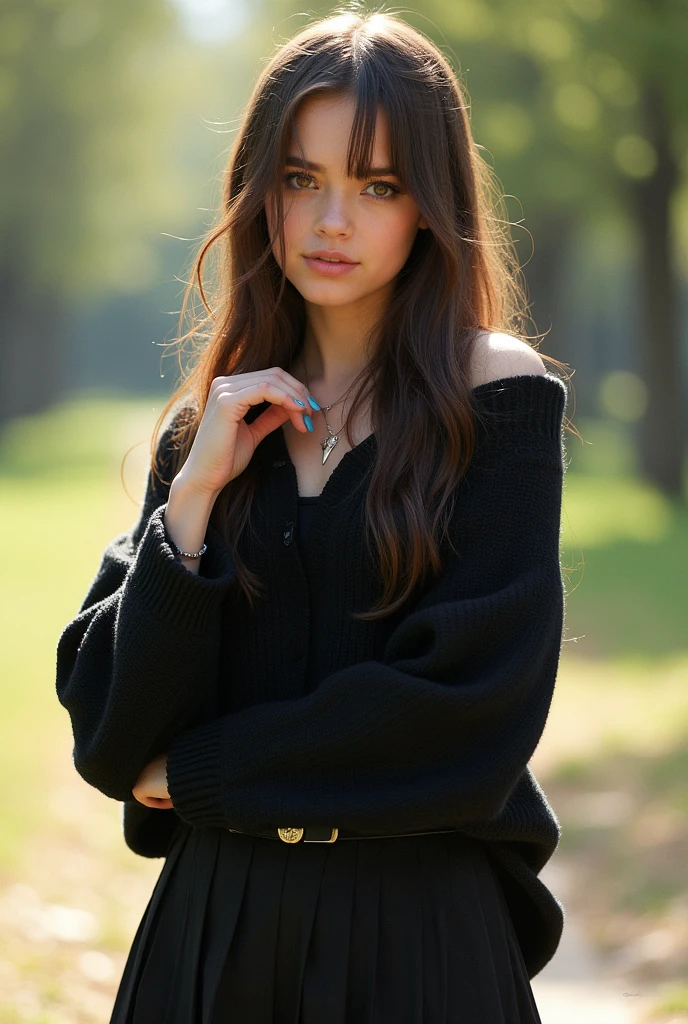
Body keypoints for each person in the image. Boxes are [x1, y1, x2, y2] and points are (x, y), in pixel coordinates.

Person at [56, 8, 576, 1022]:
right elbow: (112, 737)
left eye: (376, 186)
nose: (331, 220)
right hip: (210, 936)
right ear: (260, 192)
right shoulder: (215, 429)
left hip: (421, 937)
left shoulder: (496, 401)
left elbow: (467, 715)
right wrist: (194, 505)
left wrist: (203, 772)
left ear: (429, 204)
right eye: (301, 179)